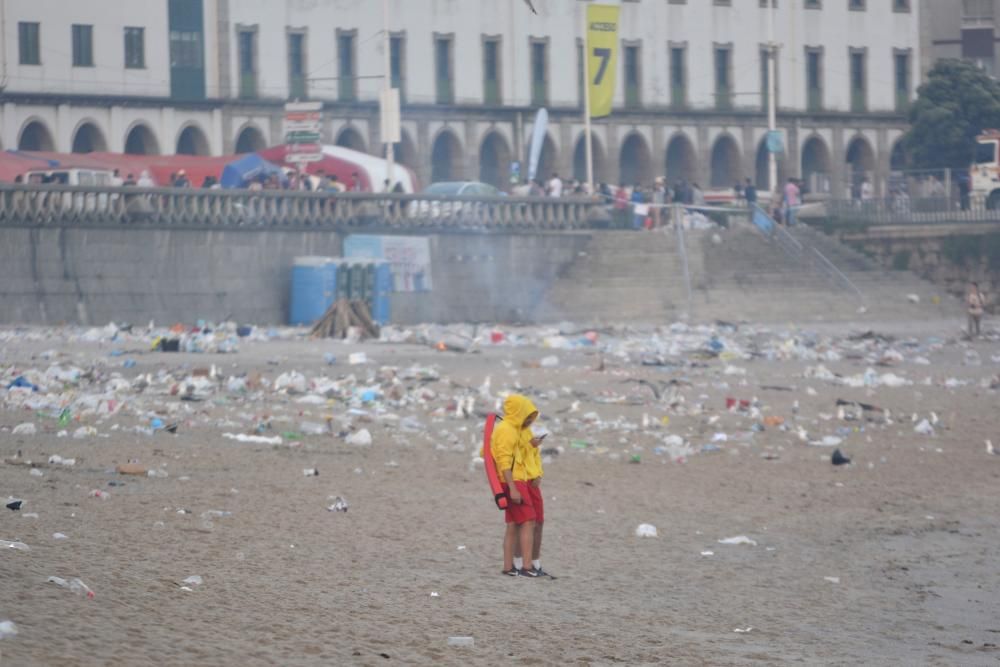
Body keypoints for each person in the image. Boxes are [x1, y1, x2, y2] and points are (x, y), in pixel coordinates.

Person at [490, 394, 548, 578]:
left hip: (519, 479)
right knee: (528, 522)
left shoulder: (515, 429)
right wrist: (512, 488)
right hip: (513, 481)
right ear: (518, 412)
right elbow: (505, 460)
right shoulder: (507, 430)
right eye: (527, 415)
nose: (530, 420)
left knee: (514, 524)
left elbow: (518, 454)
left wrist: (531, 446)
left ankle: (509, 568)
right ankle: (526, 566)